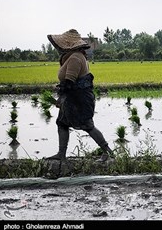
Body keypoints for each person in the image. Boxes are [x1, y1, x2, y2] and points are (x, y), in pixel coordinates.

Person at [46, 29, 114, 162]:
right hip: (73, 97)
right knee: (62, 123)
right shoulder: (73, 56)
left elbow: (69, 82)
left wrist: (61, 98)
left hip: (79, 99)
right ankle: (61, 154)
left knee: (88, 125)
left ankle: (108, 152)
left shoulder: (75, 58)